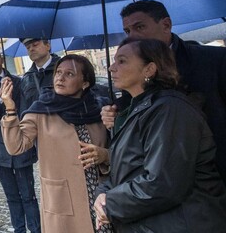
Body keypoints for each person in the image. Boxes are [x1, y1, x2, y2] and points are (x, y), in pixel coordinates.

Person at [94, 38, 226, 232]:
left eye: (122, 61)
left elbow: (164, 183)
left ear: (149, 69)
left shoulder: (170, 110)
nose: (112, 68)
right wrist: (103, 194)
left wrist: (111, 202)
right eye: (113, 61)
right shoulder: (139, 109)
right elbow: (126, 168)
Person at [101, 0, 226, 182]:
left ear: (166, 25)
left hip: (214, 178)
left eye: (140, 27)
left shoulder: (213, 60)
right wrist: (116, 112)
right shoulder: (133, 69)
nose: (133, 36)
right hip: (161, 180)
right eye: (128, 31)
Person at [1, 54, 114, 233]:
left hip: (100, 197)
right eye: (58, 72)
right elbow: (16, 146)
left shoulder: (100, 109)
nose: (60, 78)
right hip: (63, 202)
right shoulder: (42, 110)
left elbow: (121, 150)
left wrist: (104, 155)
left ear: (85, 82)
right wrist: (10, 109)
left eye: (69, 74)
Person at [0, 46, 41, 233]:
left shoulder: (19, 82)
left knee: (28, 195)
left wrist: (11, 95)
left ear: (1, 59)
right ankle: (19, 229)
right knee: (12, 196)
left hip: (21, 146)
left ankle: (36, 230)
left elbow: (26, 111)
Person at [18, 38, 61, 114]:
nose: (31, 49)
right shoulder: (27, 78)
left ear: (48, 46)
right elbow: (24, 109)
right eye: (28, 47)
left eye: (35, 45)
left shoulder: (62, 70)